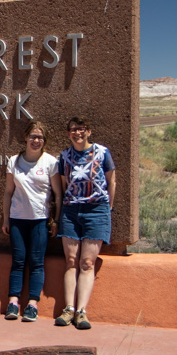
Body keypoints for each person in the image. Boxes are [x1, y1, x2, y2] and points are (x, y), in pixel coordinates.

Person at [54, 117, 116, 329]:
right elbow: (63, 187)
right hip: (71, 211)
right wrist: (60, 214)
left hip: (96, 210)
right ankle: (68, 309)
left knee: (87, 263)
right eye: (73, 130)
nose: (77, 133)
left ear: (89, 131)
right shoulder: (64, 156)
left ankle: (82, 312)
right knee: (71, 261)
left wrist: (107, 208)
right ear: (68, 133)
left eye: (81, 129)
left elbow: (111, 181)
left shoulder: (102, 152)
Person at [1, 121, 62, 322]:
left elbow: (57, 195)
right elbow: (8, 192)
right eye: (33, 136)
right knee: (18, 261)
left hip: (40, 219)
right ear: (25, 137)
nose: (36, 140)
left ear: (44, 141)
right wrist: (6, 219)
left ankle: (32, 304)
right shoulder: (14, 161)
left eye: (40, 138)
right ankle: (13, 302)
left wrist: (56, 220)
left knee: (37, 263)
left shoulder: (50, 163)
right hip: (18, 219)